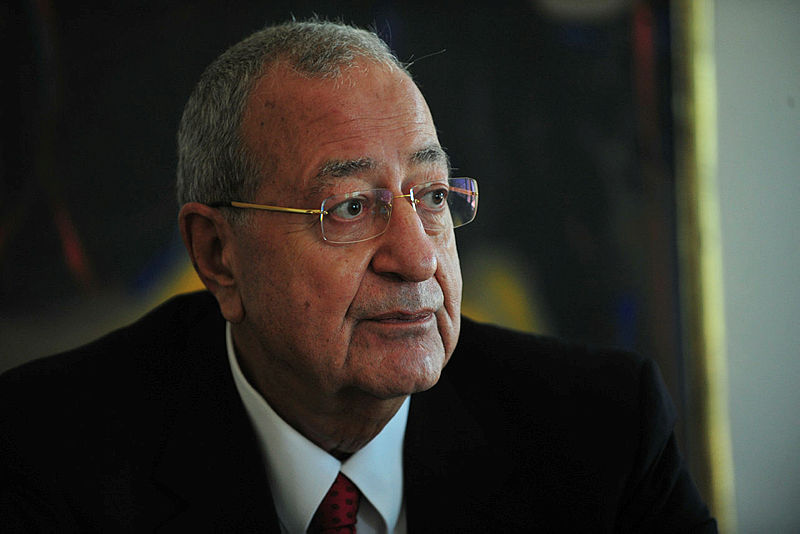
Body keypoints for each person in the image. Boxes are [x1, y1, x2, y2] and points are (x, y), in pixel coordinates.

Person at [0, 19, 716, 533]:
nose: (419, 258)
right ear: (219, 255)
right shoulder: (48, 456)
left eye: (432, 196)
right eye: (348, 208)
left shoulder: (604, 433)